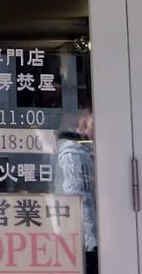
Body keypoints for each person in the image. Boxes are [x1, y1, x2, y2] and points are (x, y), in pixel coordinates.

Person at [54, 108, 99, 274]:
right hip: (83, 239)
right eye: (94, 124)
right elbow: (79, 200)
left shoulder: (83, 152)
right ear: (83, 124)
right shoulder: (74, 154)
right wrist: (91, 242)